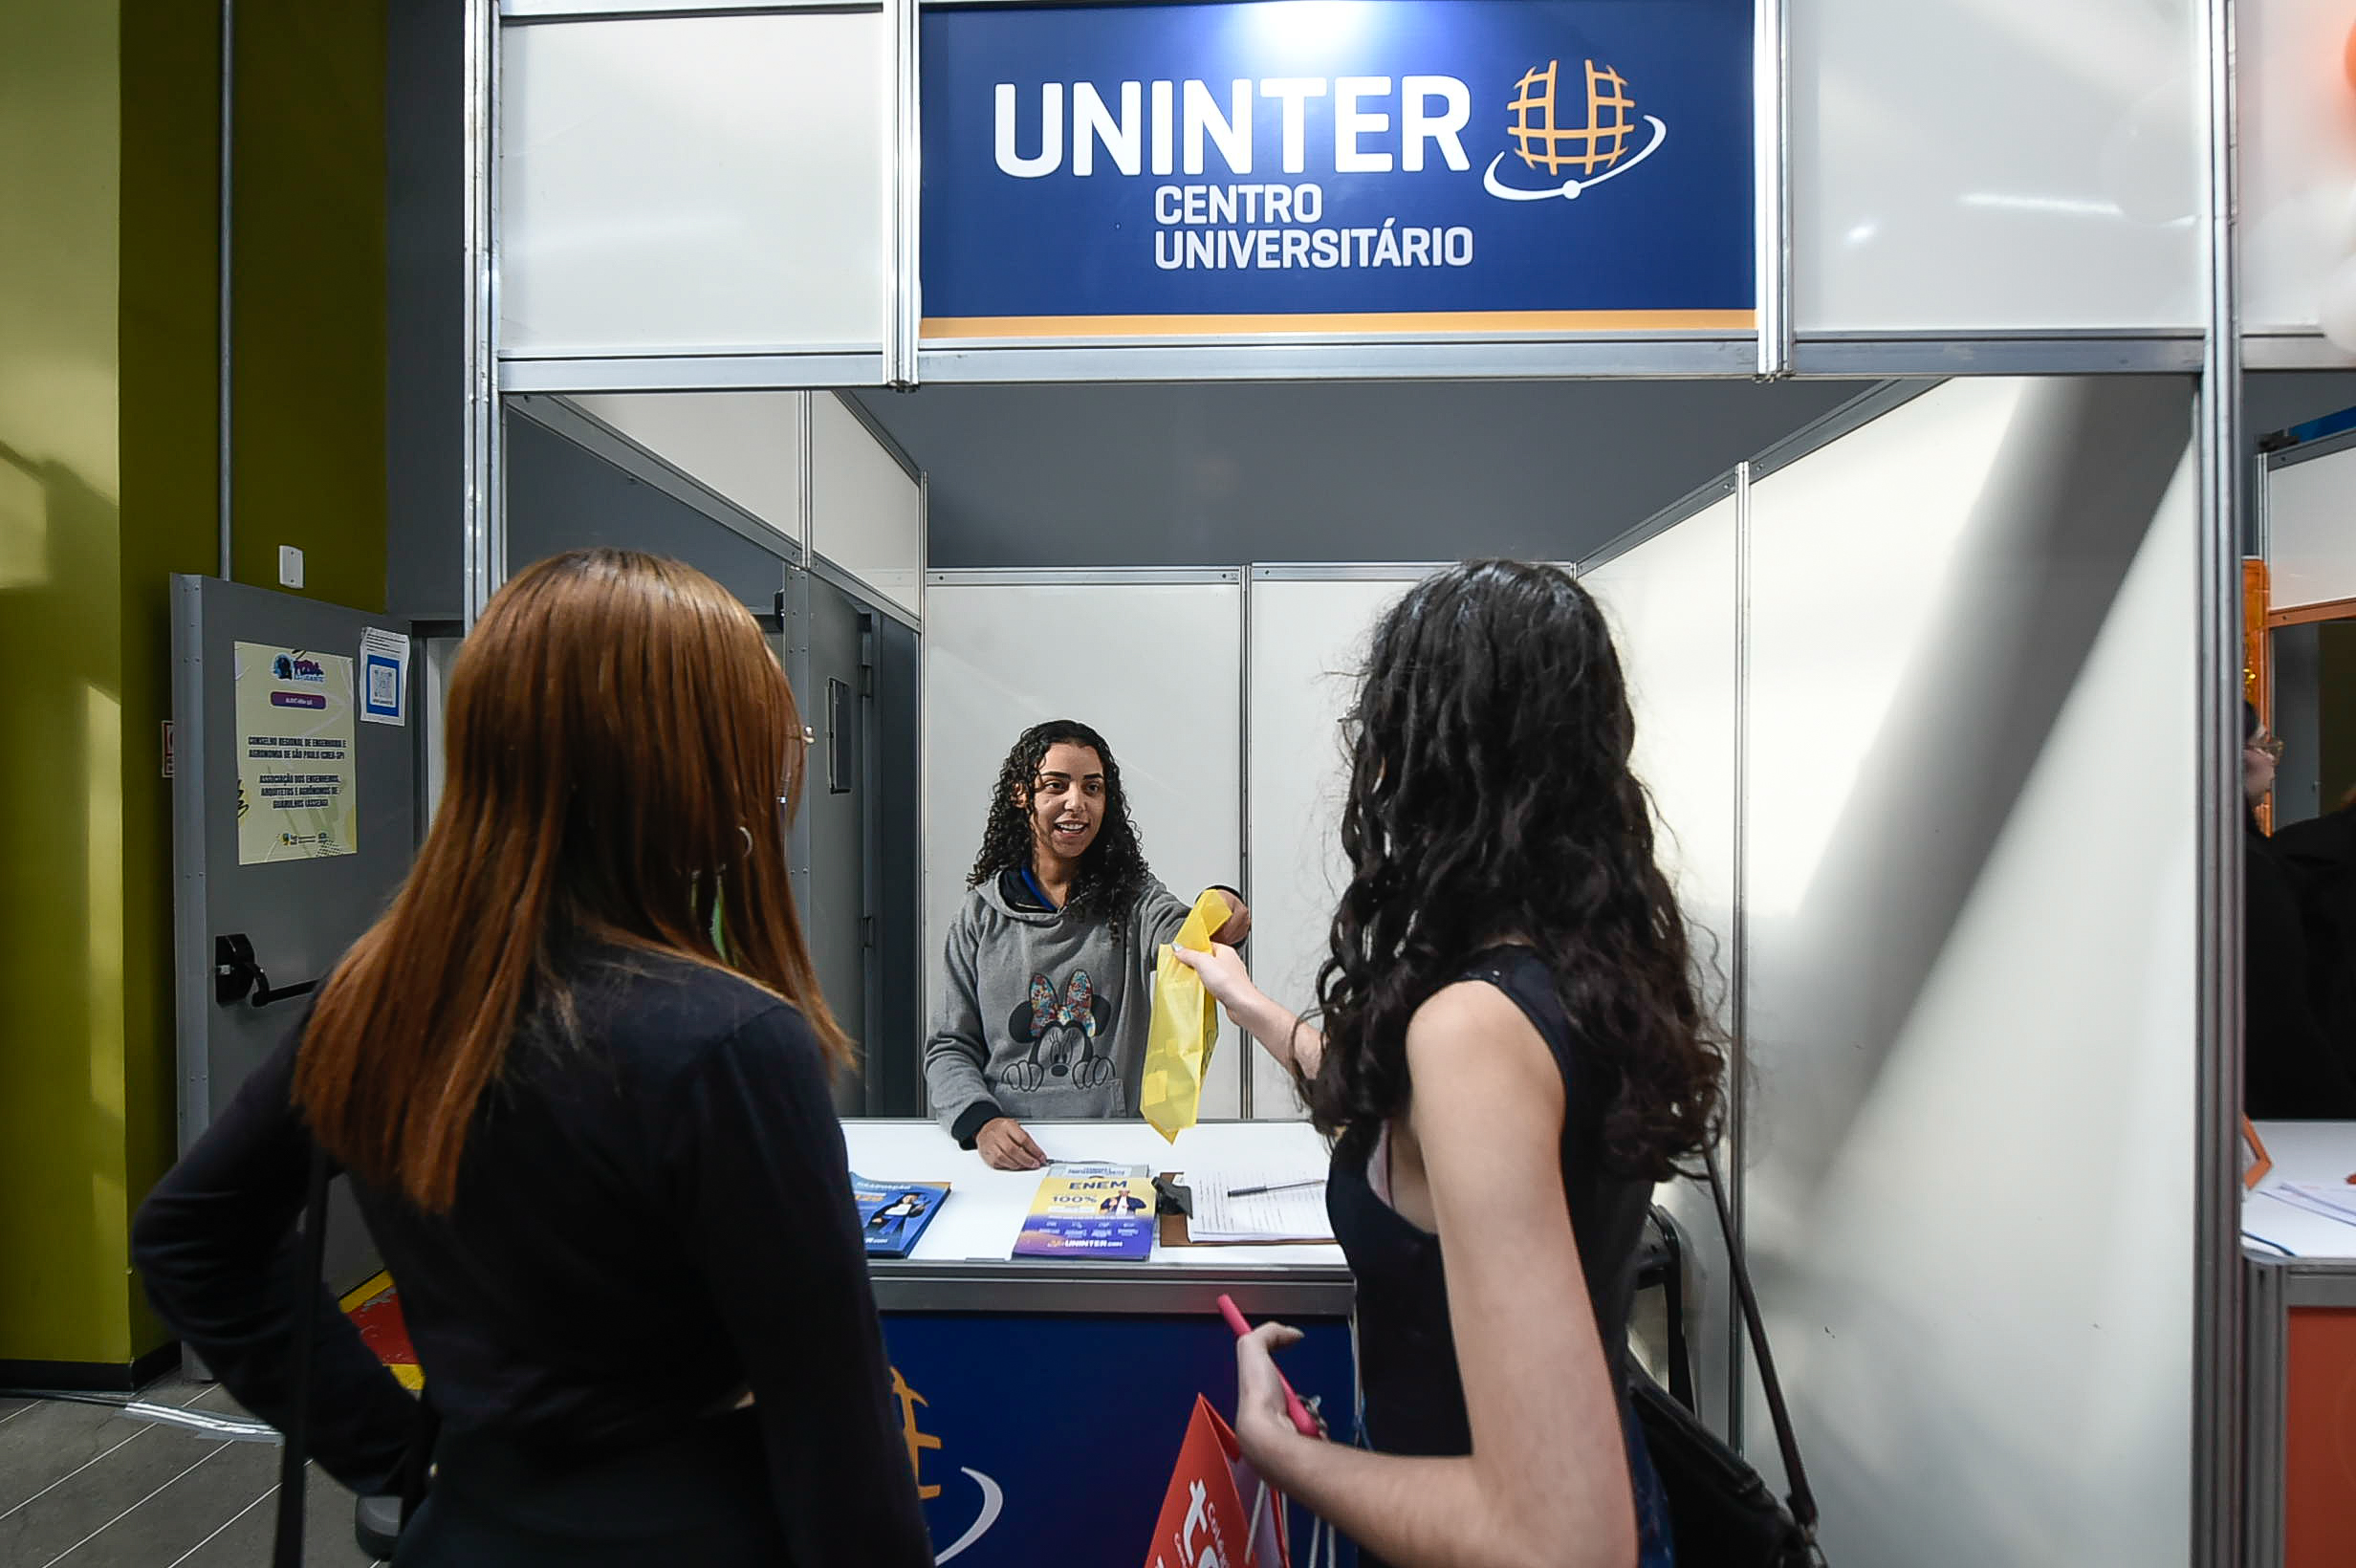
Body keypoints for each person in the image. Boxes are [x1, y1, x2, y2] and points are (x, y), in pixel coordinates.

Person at [131, 550, 932, 1568]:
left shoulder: (378, 998)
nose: (787, 771)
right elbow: (839, 1444)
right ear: (679, 760)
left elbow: (191, 1238)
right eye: (770, 737)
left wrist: (394, 1454)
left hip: (468, 1522)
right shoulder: (729, 1042)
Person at [1172, 561, 1720, 1568]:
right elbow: (1410, 1116)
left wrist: (1286, 1455)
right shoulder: (1578, 970)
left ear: (1429, 760)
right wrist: (1249, 1005)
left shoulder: (1472, 1030)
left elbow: (1560, 1542)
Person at [926, 719, 1248, 1169]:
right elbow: (949, 1046)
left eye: (1092, 788)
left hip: (1115, 1150)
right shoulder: (980, 915)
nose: (1076, 803)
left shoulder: (1133, 900)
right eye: (1056, 786)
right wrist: (982, 1123)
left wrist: (1221, 907)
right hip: (1007, 1153)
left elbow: (1187, 939)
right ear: (1021, 795)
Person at [2243, 705, 2356, 1118]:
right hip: (2308, 1100)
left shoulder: (2290, 850)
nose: (2272, 760)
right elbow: (2281, 1010)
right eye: (2262, 744)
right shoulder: (2278, 861)